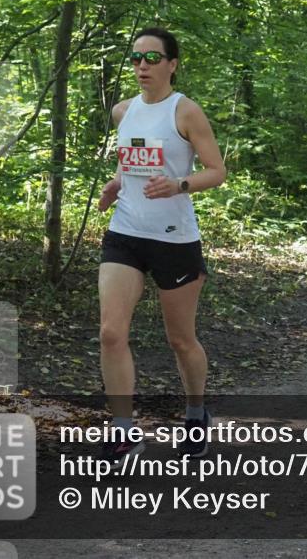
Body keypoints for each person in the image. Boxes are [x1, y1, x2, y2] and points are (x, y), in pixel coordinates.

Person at [96, 26, 227, 463]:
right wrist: (116, 185)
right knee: (111, 333)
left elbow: (216, 170)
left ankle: (195, 414)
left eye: (152, 58)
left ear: (172, 64)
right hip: (125, 233)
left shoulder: (185, 111)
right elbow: (131, 161)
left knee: (180, 340)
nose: (141, 66)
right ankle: (123, 431)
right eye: (135, 58)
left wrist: (178, 184)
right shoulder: (122, 111)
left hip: (174, 240)